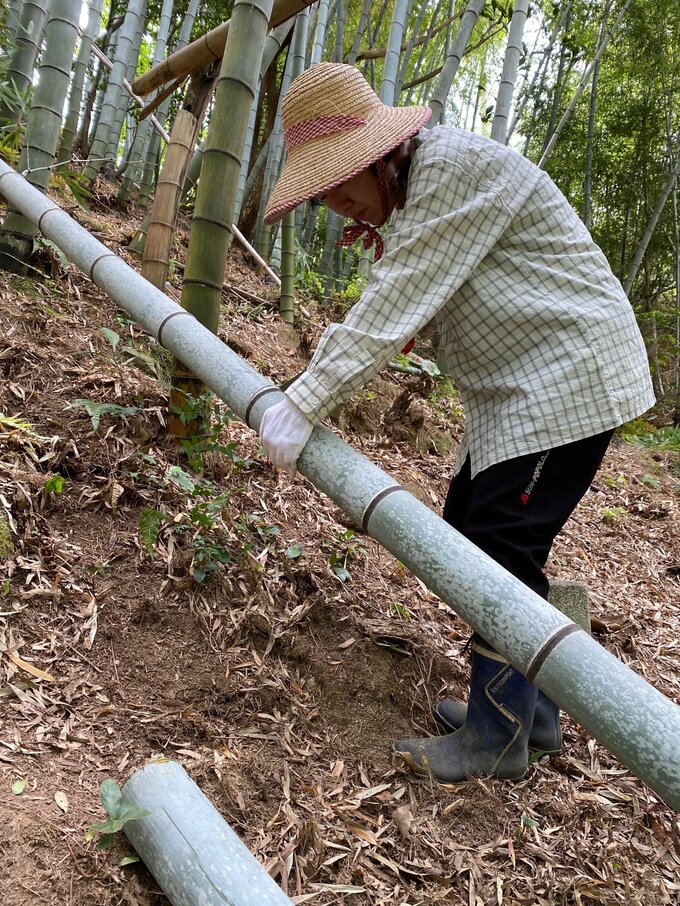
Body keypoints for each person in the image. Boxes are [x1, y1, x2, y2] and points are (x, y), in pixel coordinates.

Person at [258, 62, 655, 784]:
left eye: (340, 182)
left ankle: (496, 735)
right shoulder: (416, 191)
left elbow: (388, 309)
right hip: (520, 389)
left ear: (380, 157)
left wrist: (303, 398)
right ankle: (531, 713)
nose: (340, 205)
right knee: (468, 524)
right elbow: (396, 294)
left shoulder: (450, 174)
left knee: (502, 547)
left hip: (570, 381)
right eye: (324, 194)